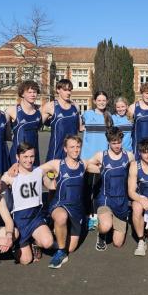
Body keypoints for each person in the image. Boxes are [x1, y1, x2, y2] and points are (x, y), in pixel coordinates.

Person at [1, 143, 61, 267]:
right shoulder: (10, 175)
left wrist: (58, 180)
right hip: (20, 220)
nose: (29, 160)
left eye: (32, 156)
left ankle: (34, 242)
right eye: (25, 156)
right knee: (25, 260)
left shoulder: (38, 171)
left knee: (48, 242)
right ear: (17, 157)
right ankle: (19, 245)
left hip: (35, 217)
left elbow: (51, 184)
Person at [46, 135, 100, 267]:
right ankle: (57, 249)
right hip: (60, 205)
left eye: (78, 147)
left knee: (70, 248)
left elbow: (100, 169)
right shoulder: (57, 164)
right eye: (72, 147)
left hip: (77, 209)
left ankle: (51, 240)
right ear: (65, 149)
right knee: (61, 217)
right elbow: (38, 171)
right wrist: (48, 183)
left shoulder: (84, 164)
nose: (76, 150)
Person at [87, 127, 135, 250]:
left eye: (119, 142)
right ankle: (102, 234)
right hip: (105, 199)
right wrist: (98, 169)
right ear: (108, 142)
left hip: (121, 201)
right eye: (113, 143)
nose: (117, 145)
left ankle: (113, 220)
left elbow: (135, 172)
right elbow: (87, 165)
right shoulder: (101, 155)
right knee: (106, 226)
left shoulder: (129, 156)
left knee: (118, 243)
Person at [81, 91, 114, 228]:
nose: (101, 102)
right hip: (87, 158)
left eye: (103, 100)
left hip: (102, 159)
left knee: (98, 189)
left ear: (106, 101)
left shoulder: (109, 117)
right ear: (94, 101)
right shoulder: (87, 114)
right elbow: (79, 127)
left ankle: (95, 215)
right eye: (99, 100)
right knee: (86, 189)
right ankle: (86, 215)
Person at [6, 81, 43, 165]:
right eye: (29, 92)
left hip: (33, 155)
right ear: (22, 94)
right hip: (17, 156)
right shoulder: (12, 110)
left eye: (34, 92)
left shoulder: (40, 111)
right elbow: (4, 132)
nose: (32, 95)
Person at [43, 79, 81, 161]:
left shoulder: (76, 107)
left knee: (71, 173)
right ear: (58, 90)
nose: (68, 93)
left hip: (72, 150)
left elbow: (80, 127)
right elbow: (37, 124)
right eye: (65, 90)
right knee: (52, 173)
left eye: (70, 90)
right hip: (56, 150)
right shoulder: (50, 106)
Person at [129, 82, 148, 159]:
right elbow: (128, 128)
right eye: (146, 93)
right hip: (137, 144)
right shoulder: (133, 108)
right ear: (142, 93)